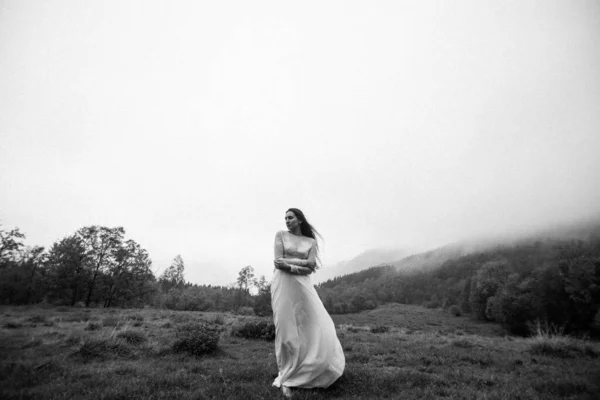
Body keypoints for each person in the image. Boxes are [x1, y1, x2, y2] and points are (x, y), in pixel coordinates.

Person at [271, 208, 345, 398]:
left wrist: (290, 264)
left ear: (299, 220)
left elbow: (311, 267)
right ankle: (287, 377)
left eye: (290, 217)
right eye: (285, 218)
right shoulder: (280, 235)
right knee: (285, 328)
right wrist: (299, 264)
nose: (287, 221)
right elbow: (278, 262)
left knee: (315, 323)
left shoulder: (311, 242)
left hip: (304, 287)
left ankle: (313, 368)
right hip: (283, 285)